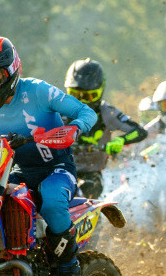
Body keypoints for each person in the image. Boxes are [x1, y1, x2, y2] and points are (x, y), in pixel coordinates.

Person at [0, 37, 98, 276]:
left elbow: (85, 111)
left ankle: (69, 272)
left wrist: (75, 128)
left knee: (53, 200)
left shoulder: (38, 91)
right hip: (17, 170)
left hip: (56, 167)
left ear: (12, 70)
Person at [63, 58, 147, 198]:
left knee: (87, 191)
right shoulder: (59, 110)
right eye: (75, 95)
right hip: (61, 170)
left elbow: (139, 131)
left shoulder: (107, 112)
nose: (81, 101)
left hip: (92, 174)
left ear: (100, 92)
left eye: (88, 96)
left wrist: (120, 140)